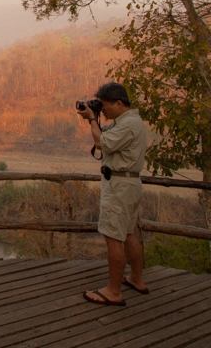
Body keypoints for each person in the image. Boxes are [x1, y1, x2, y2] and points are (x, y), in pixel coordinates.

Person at [76, 82, 149, 307]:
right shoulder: (128, 123)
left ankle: (113, 292)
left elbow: (102, 143)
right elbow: (105, 139)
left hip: (119, 185)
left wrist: (91, 119)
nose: (103, 110)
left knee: (113, 237)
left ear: (119, 102)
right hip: (127, 183)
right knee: (128, 233)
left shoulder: (128, 125)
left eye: (105, 105)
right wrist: (95, 117)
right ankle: (136, 279)